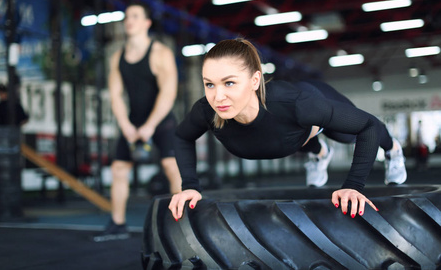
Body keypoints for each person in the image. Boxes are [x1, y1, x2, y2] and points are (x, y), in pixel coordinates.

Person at [169, 38, 407, 221]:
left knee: (346, 135)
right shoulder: (206, 111)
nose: (217, 96)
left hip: (312, 100)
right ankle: (319, 153)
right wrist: (190, 187)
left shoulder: (298, 105)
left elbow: (368, 125)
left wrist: (353, 187)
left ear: (254, 81)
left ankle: (393, 150)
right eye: (209, 84)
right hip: (289, 137)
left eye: (229, 82)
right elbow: (181, 136)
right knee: (285, 138)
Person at [93, 3, 182, 242]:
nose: (129, 20)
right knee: (119, 169)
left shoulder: (160, 53)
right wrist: (125, 125)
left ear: (146, 23)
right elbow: (115, 95)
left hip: (161, 120)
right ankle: (118, 223)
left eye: (135, 16)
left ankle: (183, 225)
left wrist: (150, 125)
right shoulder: (117, 57)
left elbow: (168, 93)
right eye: (126, 17)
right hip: (132, 121)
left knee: (171, 166)